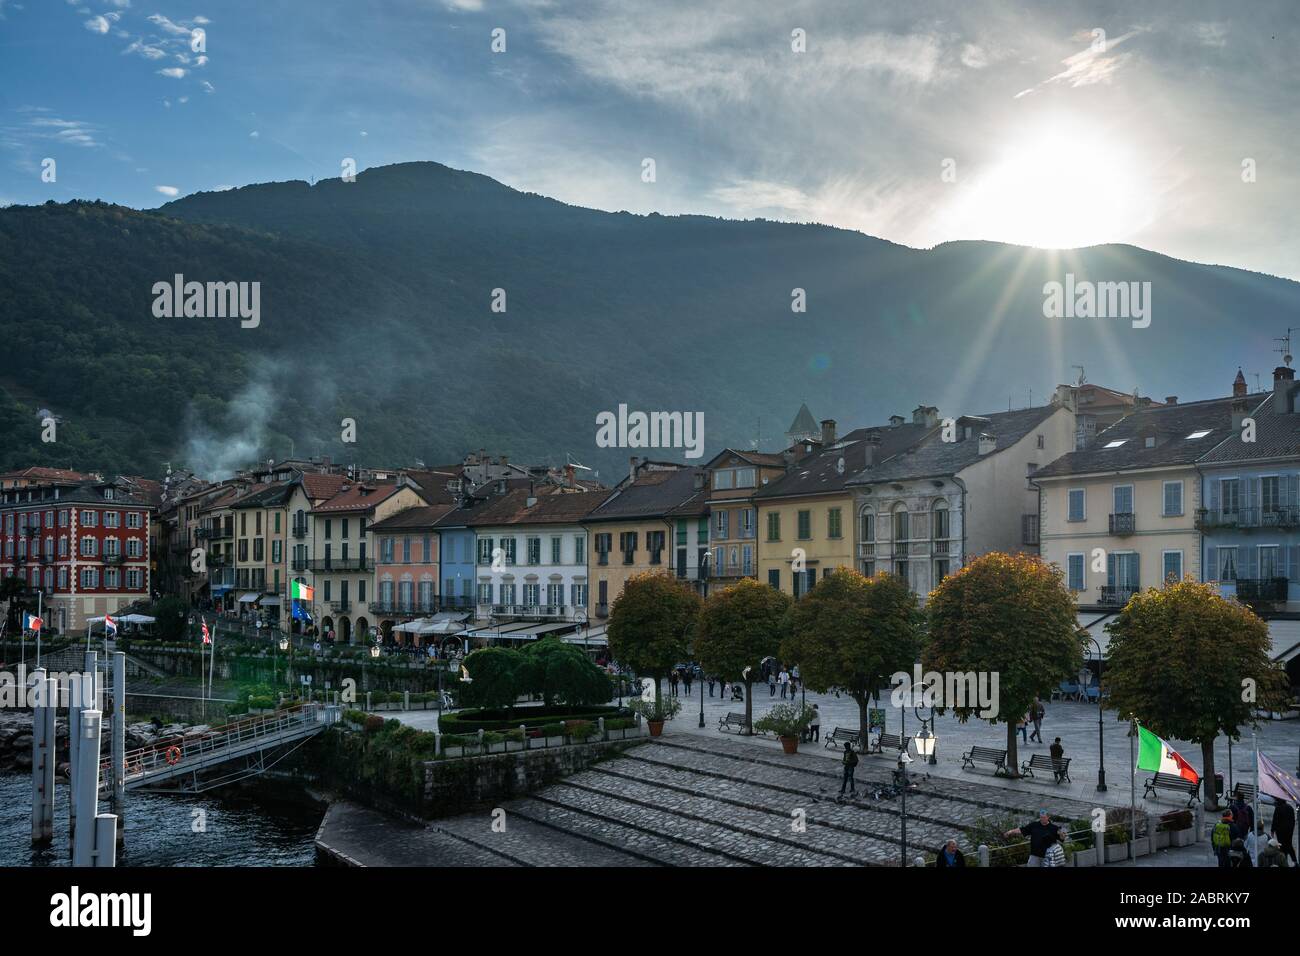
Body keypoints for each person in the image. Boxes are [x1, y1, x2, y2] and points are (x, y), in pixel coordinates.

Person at [1269, 798, 1296, 864]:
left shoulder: (1278, 808)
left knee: (1282, 845)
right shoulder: (1290, 807)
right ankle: (1295, 861)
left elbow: (1275, 820)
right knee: (1289, 844)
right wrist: (1292, 828)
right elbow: (1293, 820)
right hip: (1289, 830)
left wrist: (1272, 830)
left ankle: (1284, 861)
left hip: (1280, 831)